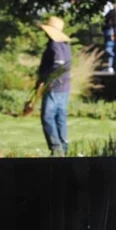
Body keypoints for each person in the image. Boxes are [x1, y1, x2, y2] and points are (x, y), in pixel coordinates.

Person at [35, 16, 71, 156]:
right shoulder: (64, 45)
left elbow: (58, 64)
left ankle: (56, 148)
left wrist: (46, 80)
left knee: (47, 117)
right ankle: (63, 146)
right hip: (64, 87)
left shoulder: (54, 46)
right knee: (60, 117)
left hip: (54, 88)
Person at [101, 2, 116, 73]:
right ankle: (110, 67)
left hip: (109, 31)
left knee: (108, 49)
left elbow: (109, 22)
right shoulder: (113, 12)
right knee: (110, 49)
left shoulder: (111, 12)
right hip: (109, 30)